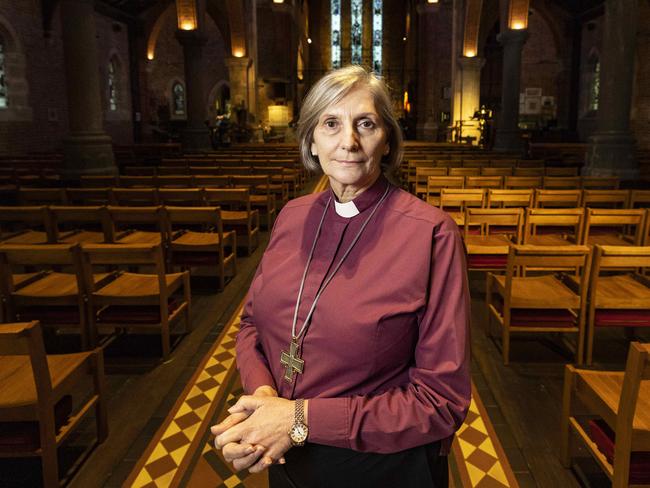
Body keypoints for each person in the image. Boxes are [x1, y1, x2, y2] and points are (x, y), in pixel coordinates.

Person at [211, 65, 470, 488]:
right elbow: (252, 325)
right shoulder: (292, 216)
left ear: (387, 141)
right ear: (311, 139)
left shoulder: (431, 233)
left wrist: (298, 419)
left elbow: (441, 402)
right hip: (284, 458)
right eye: (331, 123)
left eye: (365, 124)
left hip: (382, 469)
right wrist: (263, 399)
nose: (348, 142)